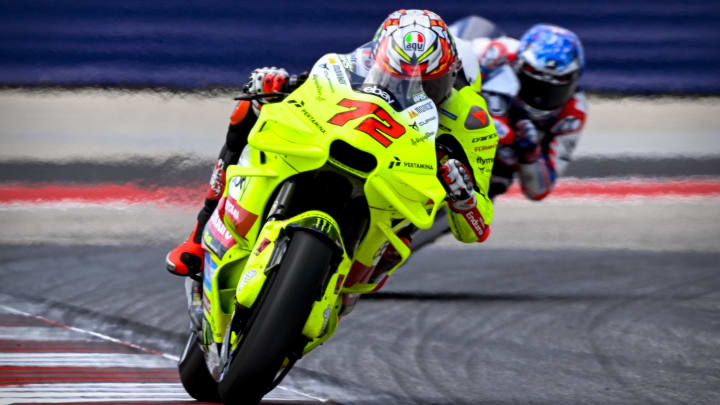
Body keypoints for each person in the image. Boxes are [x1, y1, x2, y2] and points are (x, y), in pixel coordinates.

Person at [166, 9, 498, 278]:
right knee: (250, 107)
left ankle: (346, 284)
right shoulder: (353, 66)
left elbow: (477, 229)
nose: (415, 90)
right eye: (399, 77)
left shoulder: (472, 121)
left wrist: (464, 194)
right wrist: (275, 83)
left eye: (430, 83)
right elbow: (313, 85)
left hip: (398, 193)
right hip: (345, 146)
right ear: (377, 61)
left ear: (452, 76)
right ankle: (198, 237)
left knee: (397, 246)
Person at [461, 21, 586, 200]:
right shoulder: (495, 53)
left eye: (553, 87)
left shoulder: (574, 112)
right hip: (461, 118)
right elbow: (444, 59)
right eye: (534, 82)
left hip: (495, 161)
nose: (540, 95)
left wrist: (530, 153)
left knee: (497, 181)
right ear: (518, 65)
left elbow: (539, 190)